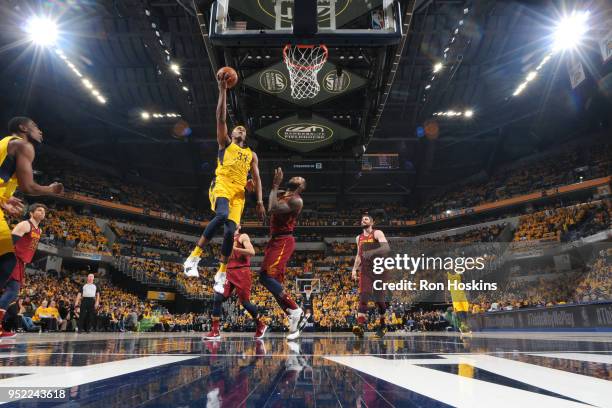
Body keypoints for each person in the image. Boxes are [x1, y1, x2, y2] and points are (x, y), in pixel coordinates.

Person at [183, 72, 265, 294]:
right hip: (221, 184)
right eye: (237, 127)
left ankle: (221, 273)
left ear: (246, 136)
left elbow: (256, 177)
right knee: (220, 216)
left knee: (230, 232)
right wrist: (222, 90)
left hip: (239, 194)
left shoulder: (251, 154)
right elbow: (220, 118)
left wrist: (259, 200)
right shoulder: (225, 143)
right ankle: (193, 258)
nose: (240, 129)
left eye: (243, 129)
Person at [0, 117, 63, 337]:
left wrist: (2, 199)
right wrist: (50, 189)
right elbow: (28, 186)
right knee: (11, 287)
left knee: (11, 290)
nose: (40, 131)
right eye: (36, 126)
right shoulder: (23, 145)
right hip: (15, 257)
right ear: (24, 128)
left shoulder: (6, 144)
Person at [259, 168, 307, 340]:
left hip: (283, 240)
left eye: (300, 179)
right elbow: (265, 199)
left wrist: (275, 184)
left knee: (264, 276)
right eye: (296, 175)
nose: (297, 176)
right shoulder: (282, 193)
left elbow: (271, 208)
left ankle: (295, 310)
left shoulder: (296, 201)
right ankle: (293, 321)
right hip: (275, 241)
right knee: (275, 285)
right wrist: (253, 192)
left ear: (301, 187)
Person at [204, 225, 268, 340]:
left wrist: (235, 249)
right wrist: (220, 271)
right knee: (217, 297)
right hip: (228, 272)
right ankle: (215, 331)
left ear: (239, 226)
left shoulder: (242, 236)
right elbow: (224, 259)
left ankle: (260, 325)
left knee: (245, 303)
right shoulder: (227, 240)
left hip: (242, 271)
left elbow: (252, 252)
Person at [0, 203, 45, 338]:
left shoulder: (39, 230)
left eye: (44, 211)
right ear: (31, 213)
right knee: (12, 291)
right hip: (11, 258)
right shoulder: (25, 225)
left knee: (12, 294)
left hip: (20, 262)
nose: (42, 212)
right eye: (39, 210)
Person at [351, 214, 390, 338]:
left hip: (379, 269)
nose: (363, 220)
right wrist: (354, 269)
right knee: (363, 297)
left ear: (372, 222)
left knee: (380, 301)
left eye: (366, 219)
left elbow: (386, 248)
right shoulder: (359, 238)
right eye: (362, 219)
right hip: (365, 270)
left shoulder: (377, 233)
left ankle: (383, 325)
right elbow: (358, 255)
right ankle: (360, 326)